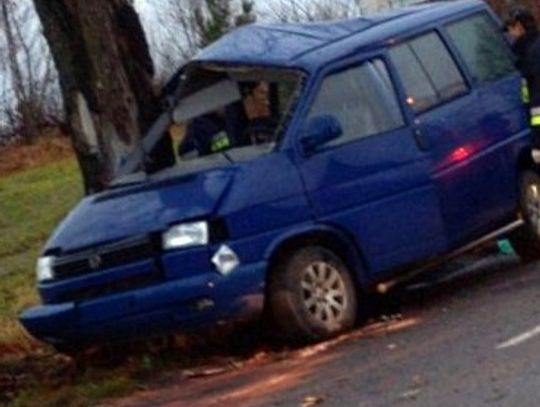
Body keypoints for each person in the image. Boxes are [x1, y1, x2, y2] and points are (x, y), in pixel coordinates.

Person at [505, 8, 540, 162]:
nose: (510, 35)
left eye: (510, 29)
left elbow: (537, 107)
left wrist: (538, 143)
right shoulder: (531, 52)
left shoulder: (532, 56)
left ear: (519, 27)